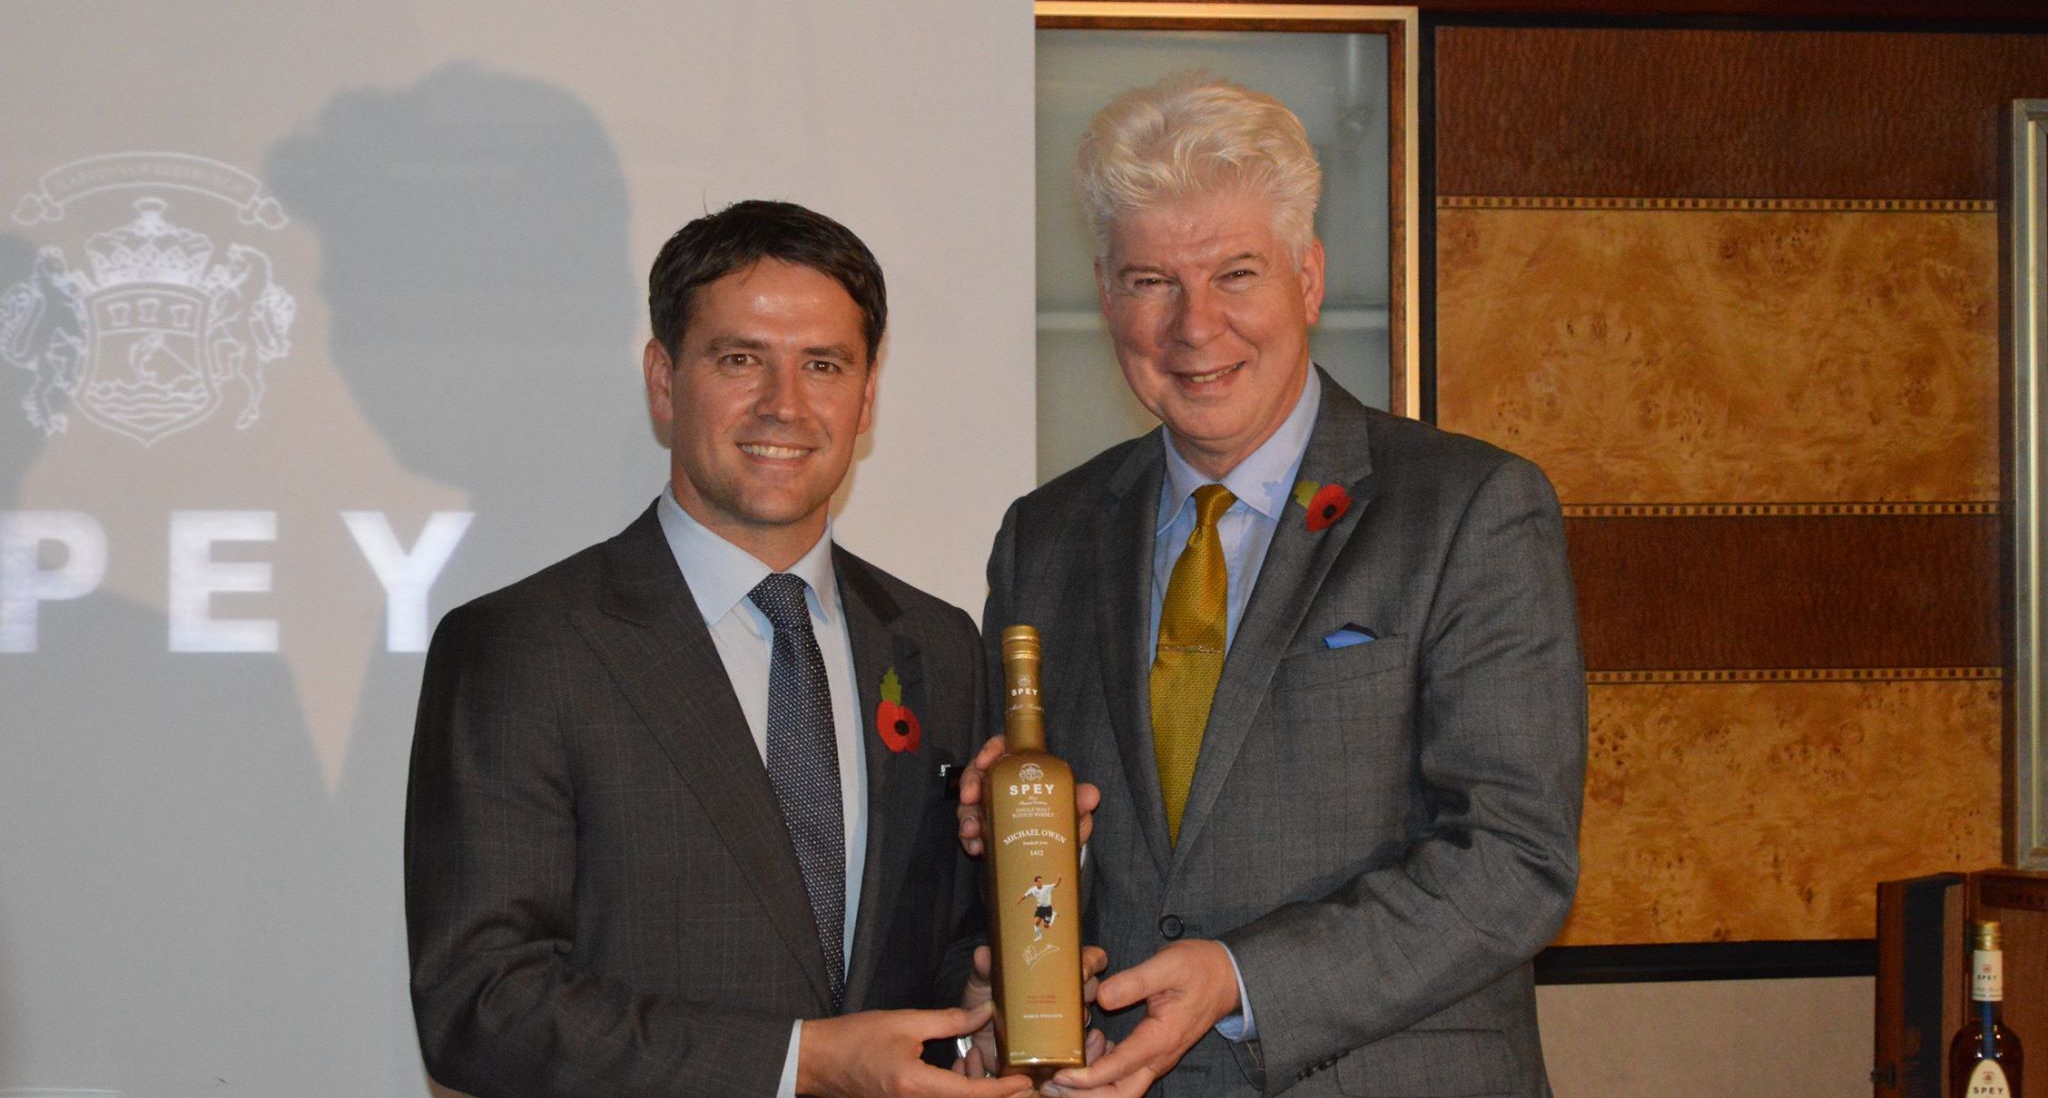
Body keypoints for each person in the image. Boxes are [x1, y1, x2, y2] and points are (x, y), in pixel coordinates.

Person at [961, 74, 1586, 1098]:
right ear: (1106, 293)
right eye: (1150, 280)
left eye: (1234, 274)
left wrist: (1241, 977)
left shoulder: (1469, 507)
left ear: (1308, 278)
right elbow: (1044, 867)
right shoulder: (1046, 536)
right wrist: (1008, 907)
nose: (1193, 326)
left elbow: (1515, 859)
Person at [406, 200, 1040, 1098]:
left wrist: (977, 1001)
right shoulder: (522, 647)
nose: (785, 404)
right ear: (664, 381)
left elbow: (924, 948)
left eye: (823, 365)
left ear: (866, 397)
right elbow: (479, 1004)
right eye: (740, 359)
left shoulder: (935, 642)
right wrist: (801, 1062)